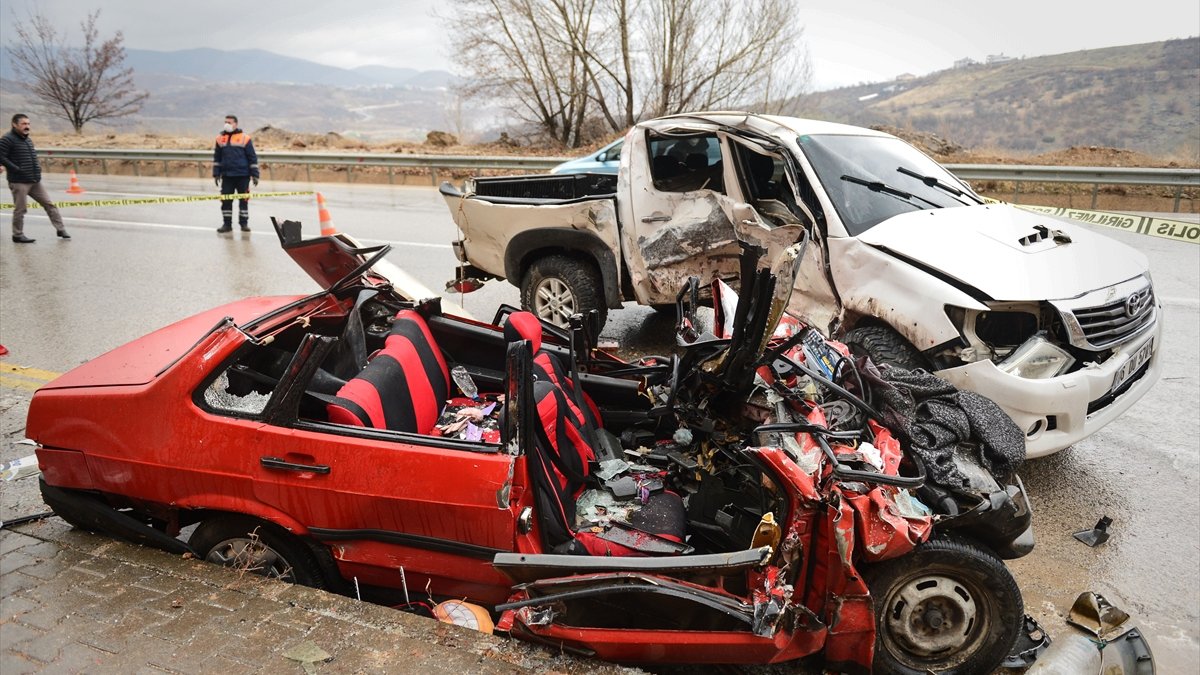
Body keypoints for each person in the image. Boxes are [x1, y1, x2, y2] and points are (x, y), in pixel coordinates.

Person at [0, 114, 70, 243]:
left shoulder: (27, 140)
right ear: (14, 124)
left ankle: (61, 229)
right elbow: (1, 156)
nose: (27, 126)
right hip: (19, 181)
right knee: (21, 209)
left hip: (34, 180)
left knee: (49, 205)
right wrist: (15, 168)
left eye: (28, 124)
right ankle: (17, 235)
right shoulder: (7, 139)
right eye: (23, 124)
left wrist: (37, 169)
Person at [212, 114, 259, 232]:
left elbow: (252, 157)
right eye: (225, 122)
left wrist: (255, 174)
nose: (226, 124)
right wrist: (216, 173)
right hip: (227, 176)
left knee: (243, 200)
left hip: (243, 175)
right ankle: (227, 224)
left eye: (229, 122)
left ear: (235, 124)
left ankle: (244, 224)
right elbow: (217, 157)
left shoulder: (244, 138)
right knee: (226, 201)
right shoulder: (220, 138)